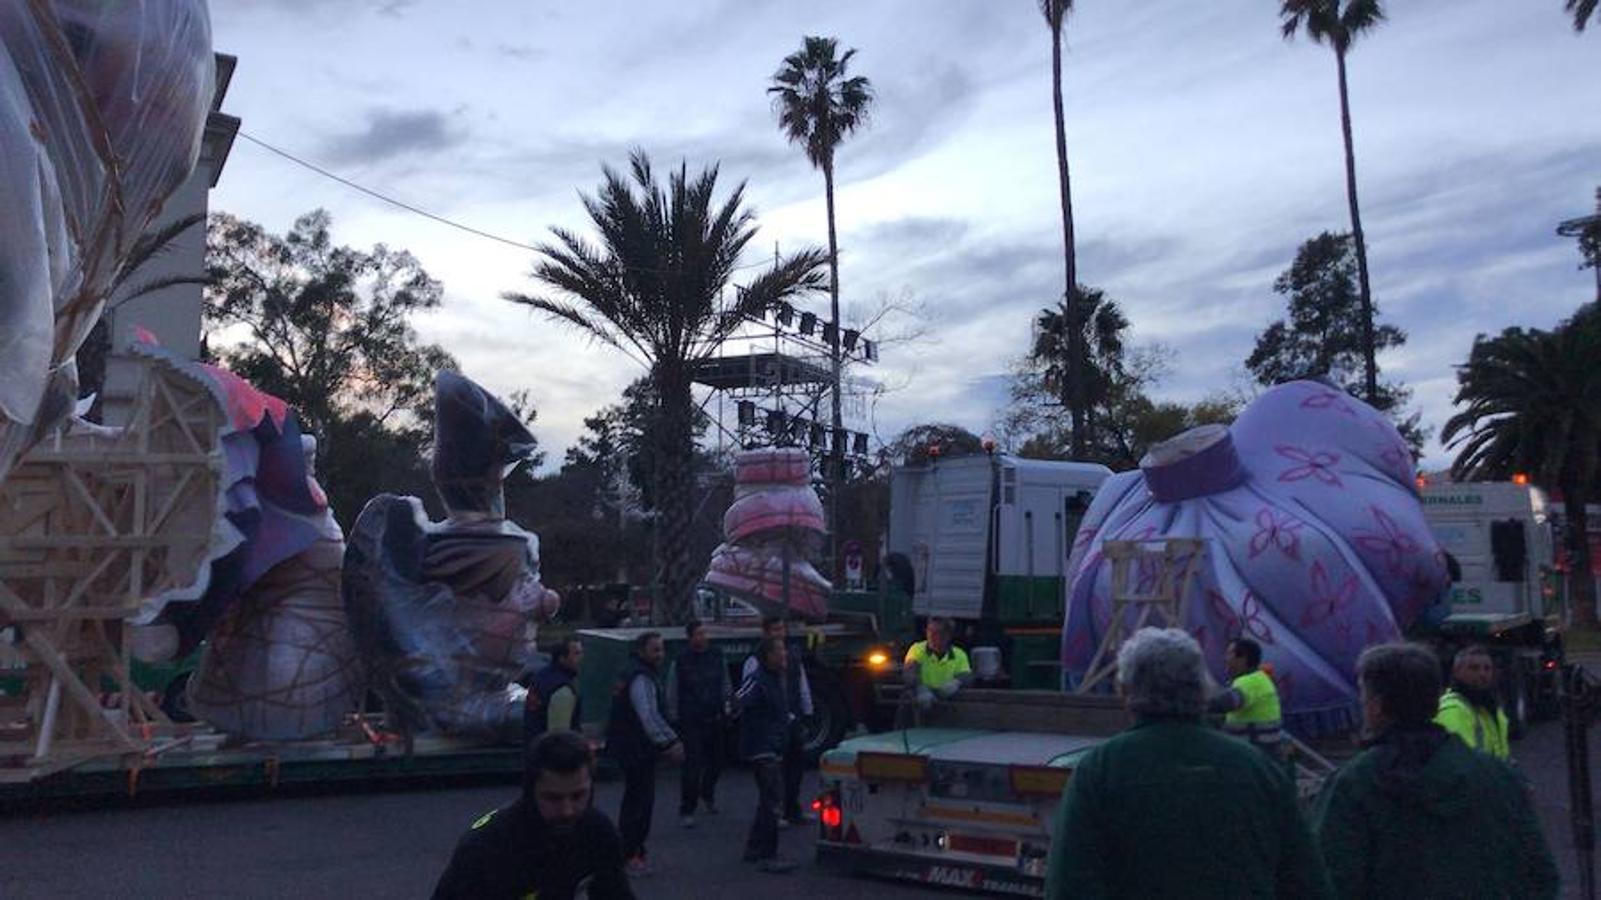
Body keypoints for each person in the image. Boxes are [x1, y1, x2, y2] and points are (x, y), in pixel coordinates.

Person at [1045, 627, 1332, 899]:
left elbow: (1069, 884)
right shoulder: (1260, 772)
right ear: (1200, 688)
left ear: (1124, 692)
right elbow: (1306, 881)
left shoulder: (1098, 772)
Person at [1314, 642, 1558, 899]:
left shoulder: (1353, 786)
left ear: (1375, 706)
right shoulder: (1498, 777)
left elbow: (1328, 881)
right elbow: (1539, 873)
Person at [433, 730, 634, 899]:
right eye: (553, 798)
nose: (567, 810)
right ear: (530, 791)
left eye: (578, 795)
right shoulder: (485, 847)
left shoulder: (598, 833)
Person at [604, 632, 683, 876]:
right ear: (642, 651)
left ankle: (630, 852)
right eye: (655, 650)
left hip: (627, 746)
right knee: (640, 804)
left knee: (634, 801)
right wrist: (670, 742)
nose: (660, 655)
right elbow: (648, 715)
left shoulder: (630, 672)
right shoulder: (641, 677)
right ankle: (632, 855)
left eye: (661, 649)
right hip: (636, 749)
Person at [741, 616, 813, 826]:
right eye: (774, 630)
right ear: (765, 633)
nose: (779, 633)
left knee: (795, 767)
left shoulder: (791, 656)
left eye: (782, 629)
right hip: (772, 726)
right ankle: (775, 813)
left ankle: (792, 809)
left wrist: (806, 712)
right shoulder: (755, 662)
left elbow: (801, 684)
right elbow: (748, 697)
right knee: (773, 775)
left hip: (791, 720)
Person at [736, 636, 798, 874]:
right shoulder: (759, 679)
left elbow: (779, 711)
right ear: (768, 656)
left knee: (768, 800)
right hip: (761, 748)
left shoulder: (776, 680)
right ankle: (768, 854)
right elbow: (738, 701)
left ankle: (755, 849)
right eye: (780, 651)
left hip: (772, 745)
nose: (785, 656)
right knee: (773, 799)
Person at [667, 619, 730, 827]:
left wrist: (727, 705)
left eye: (704, 634)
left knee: (718, 761)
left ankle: (708, 793)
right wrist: (674, 716)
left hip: (714, 716)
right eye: (698, 634)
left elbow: (724, 682)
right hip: (691, 719)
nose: (703, 638)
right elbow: (673, 690)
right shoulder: (681, 661)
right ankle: (687, 808)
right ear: (690, 638)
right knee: (692, 766)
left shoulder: (716, 656)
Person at [1208, 637, 1284, 759]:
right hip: (1259, 754)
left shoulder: (1250, 682)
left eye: (1229, 654)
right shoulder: (1258, 679)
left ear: (1242, 658)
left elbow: (1223, 703)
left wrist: (1191, 702)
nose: (1225, 659)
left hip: (1254, 755)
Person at [1434, 644, 1510, 760]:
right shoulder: (1453, 710)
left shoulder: (1489, 706)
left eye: (1487, 668)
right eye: (1473, 668)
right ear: (1457, 672)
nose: (1482, 674)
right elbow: (1460, 761)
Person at [903, 617, 972, 709]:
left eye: (937, 633)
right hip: (921, 703)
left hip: (949, 705)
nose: (931, 636)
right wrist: (920, 688)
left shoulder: (959, 654)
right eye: (929, 631)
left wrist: (956, 683)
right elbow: (910, 672)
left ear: (948, 635)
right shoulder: (917, 649)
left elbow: (966, 675)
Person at [526, 638, 584, 740]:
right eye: (576, 654)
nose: (581, 658)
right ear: (562, 658)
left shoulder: (540, 677)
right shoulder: (562, 689)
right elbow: (560, 738)